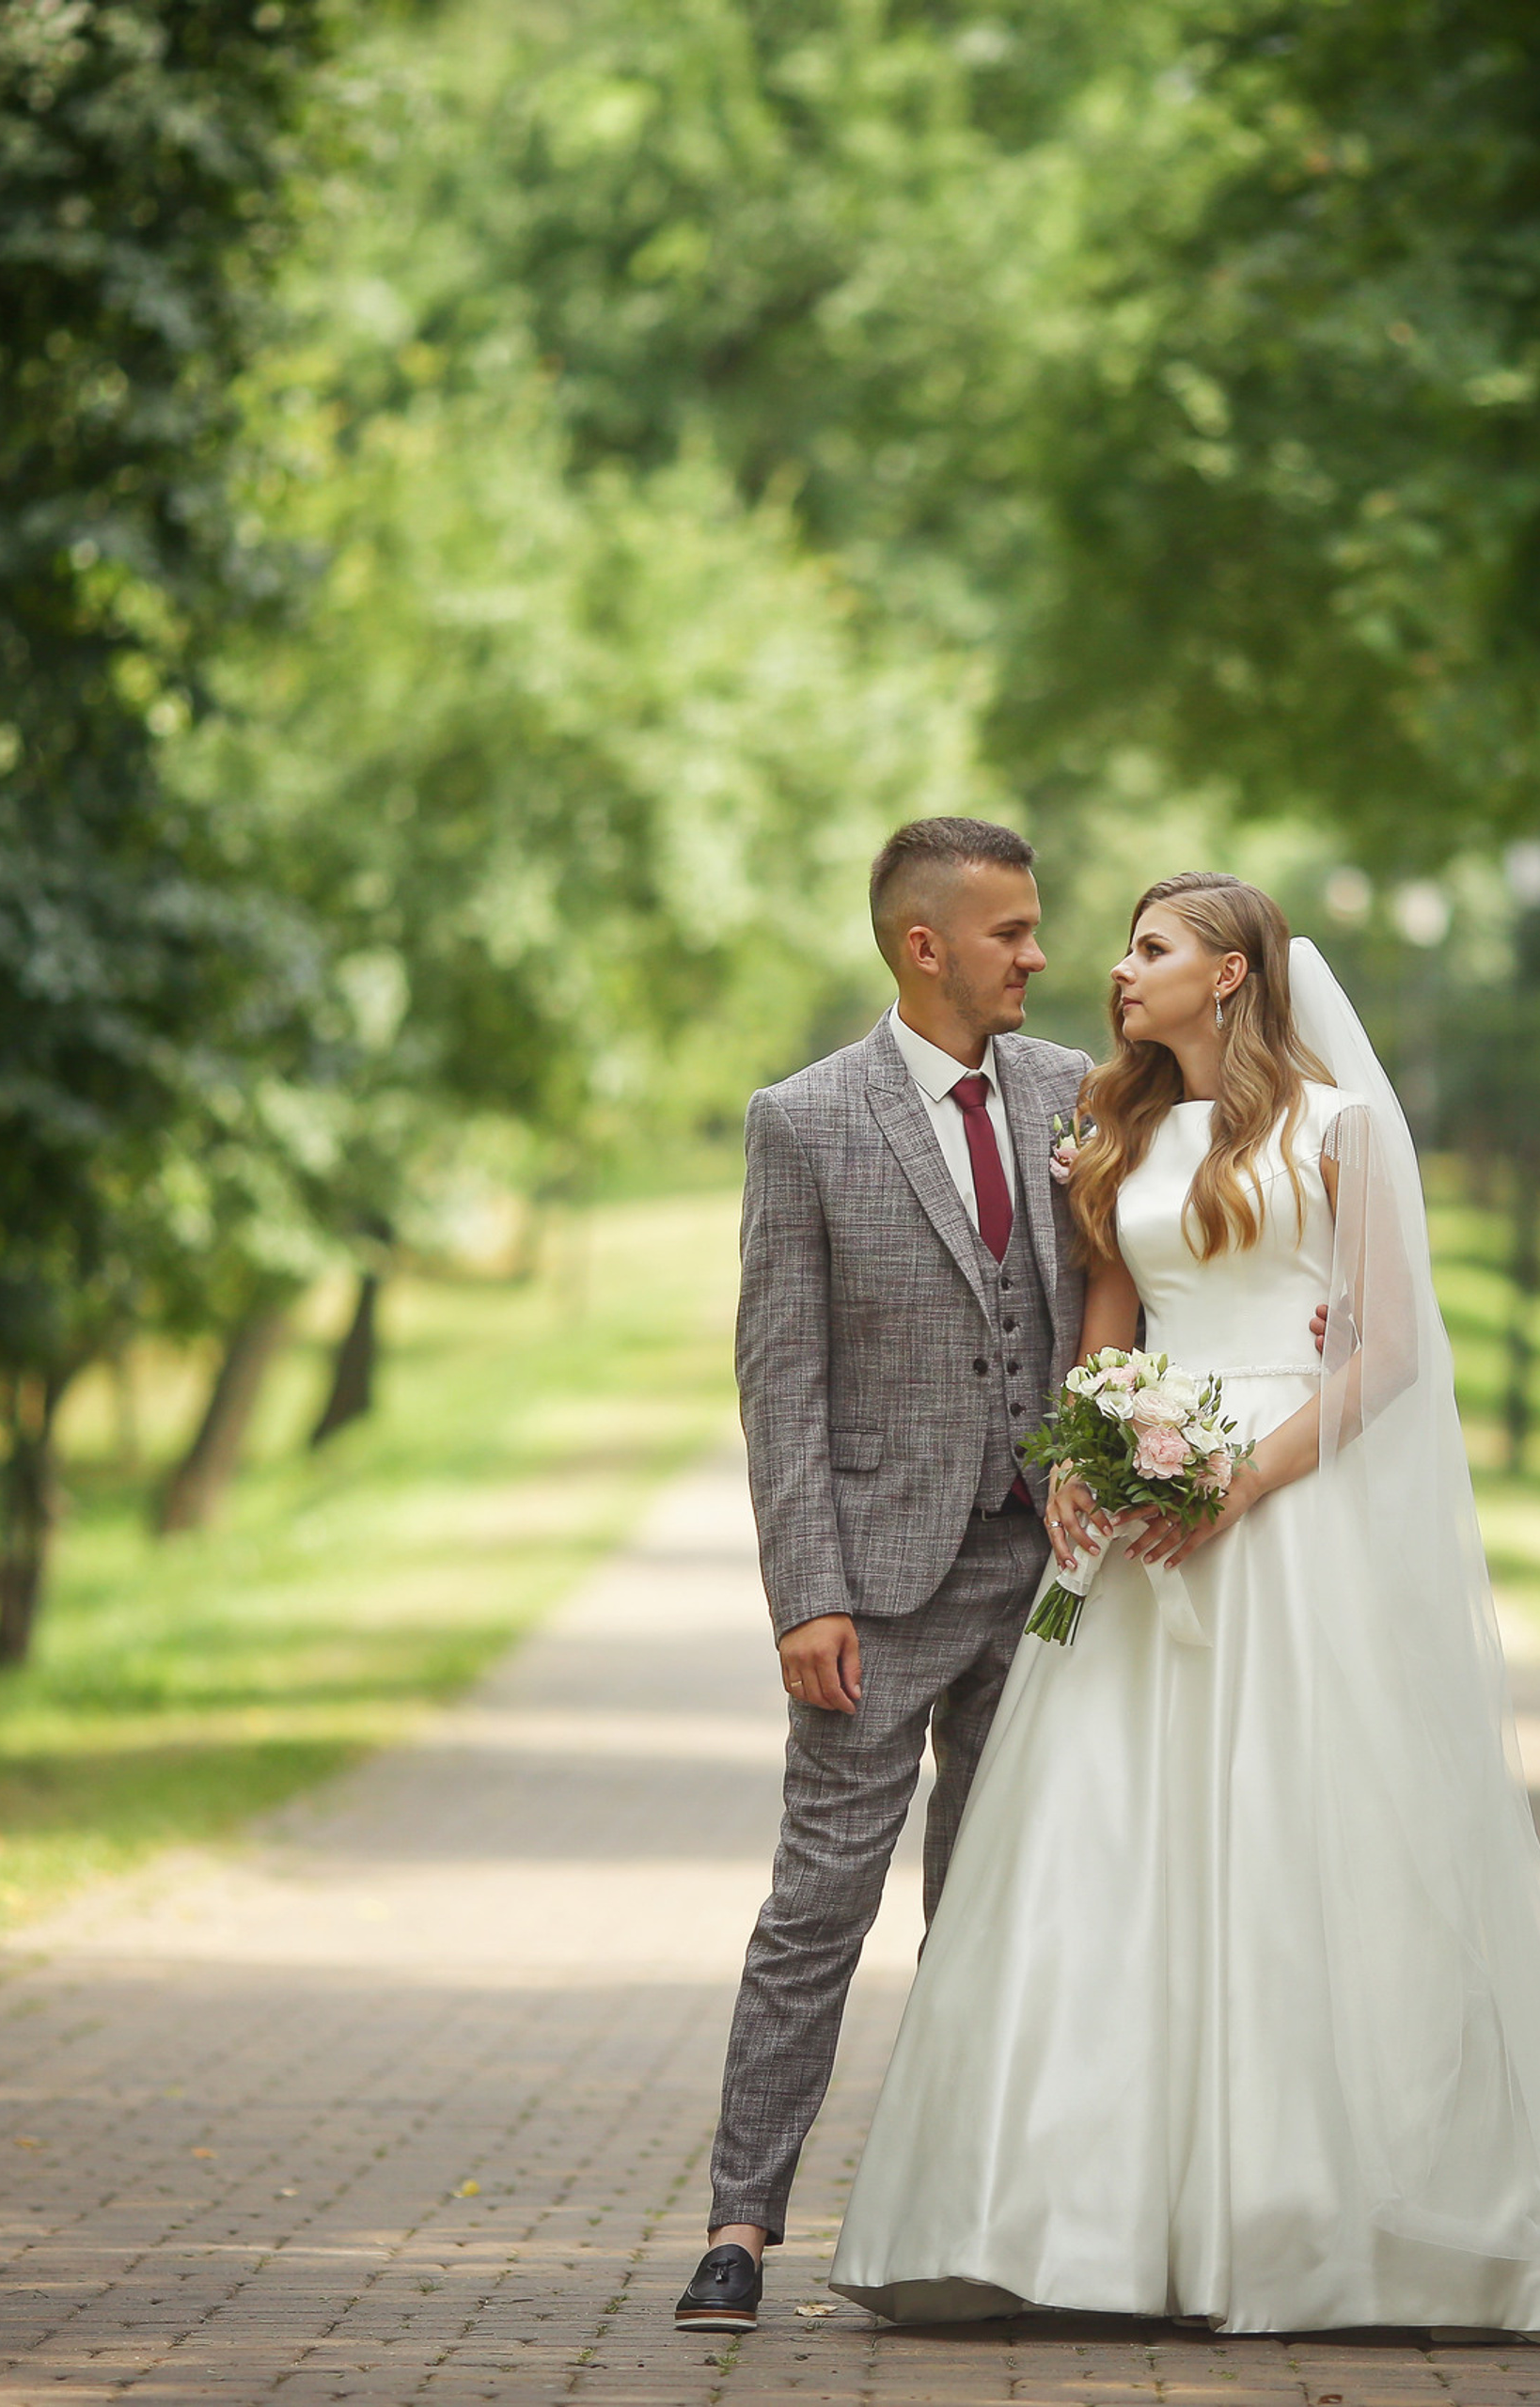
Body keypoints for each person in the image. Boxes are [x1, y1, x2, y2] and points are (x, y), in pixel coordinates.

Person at [826, 872, 1540, 2339]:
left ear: (1233, 975)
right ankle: (1073, 2223)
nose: (1117, 972)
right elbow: (1110, 1325)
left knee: (1299, 1834)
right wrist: (1077, 1460)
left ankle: (1313, 2209)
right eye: (1124, 947)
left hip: (1287, 1520)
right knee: (1108, 1840)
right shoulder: (1115, 1134)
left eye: (1153, 948)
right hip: (1133, 1525)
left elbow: (1383, 1359)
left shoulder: (1340, 1131)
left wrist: (1239, 1484)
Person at [674, 818, 1092, 2336]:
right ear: (926, 946)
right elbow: (779, 1379)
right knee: (819, 1908)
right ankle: (738, 2221)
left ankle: (979, 2215)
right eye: (1012, 933)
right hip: (878, 1587)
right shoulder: (805, 1120)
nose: (1042, 956)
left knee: (997, 1909)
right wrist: (806, 1595)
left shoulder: (1073, 1095)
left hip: (1047, 1571)